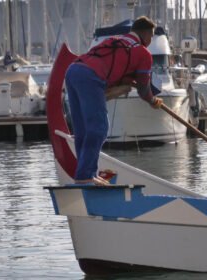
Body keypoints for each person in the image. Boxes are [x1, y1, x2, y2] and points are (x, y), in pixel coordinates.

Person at [65, 16, 163, 185]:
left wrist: (127, 83)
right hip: (90, 77)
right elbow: (143, 90)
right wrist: (153, 101)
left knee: (83, 131)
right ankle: (86, 176)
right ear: (146, 34)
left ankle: (82, 175)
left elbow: (118, 72)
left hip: (73, 71)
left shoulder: (115, 40)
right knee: (99, 129)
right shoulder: (143, 52)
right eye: (152, 36)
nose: (151, 40)